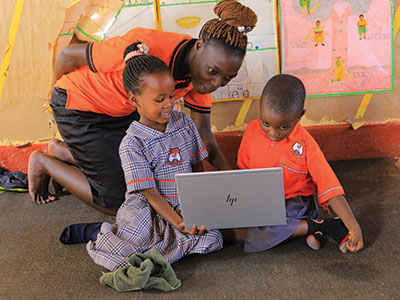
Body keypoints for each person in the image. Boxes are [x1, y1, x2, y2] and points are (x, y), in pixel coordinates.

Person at [28, 0, 258, 215]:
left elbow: (205, 137)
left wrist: (235, 184)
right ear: (199, 46)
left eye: (228, 78)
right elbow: (68, 55)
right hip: (80, 106)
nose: (216, 84)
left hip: (123, 112)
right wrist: (53, 92)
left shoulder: (201, 77)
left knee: (151, 179)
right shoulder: (144, 46)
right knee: (119, 201)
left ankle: (63, 152)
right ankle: (44, 162)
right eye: (214, 72)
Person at [60, 43, 223, 271]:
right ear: (135, 100)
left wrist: (197, 207)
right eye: (159, 100)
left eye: (172, 95)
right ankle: (98, 230)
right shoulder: (131, 143)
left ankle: (167, 245)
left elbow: (197, 167)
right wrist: (178, 223)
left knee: (212, 238)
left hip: (184, 202)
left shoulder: (184, 122)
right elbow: (151, 194)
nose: (169, 104)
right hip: (150, 209)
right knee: (126, 253)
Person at [235, 74, 364, 253]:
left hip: (294, 204)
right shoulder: (251, 130)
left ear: (299, 116)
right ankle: (309, 230)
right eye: (266, 123)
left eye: (283, 127)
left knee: (259, 232)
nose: (272, 133)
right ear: (260, 108)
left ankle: (324, 226)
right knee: (231, 228)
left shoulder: (306, 145)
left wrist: (354, 226)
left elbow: (330, 188)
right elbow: (243, 172)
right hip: (261, 201)